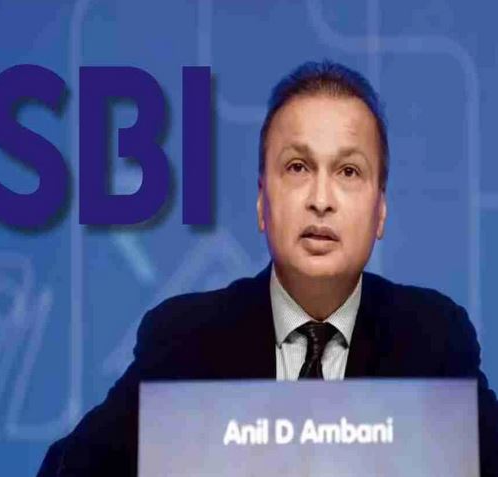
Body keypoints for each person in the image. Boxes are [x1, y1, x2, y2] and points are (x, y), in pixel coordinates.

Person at [37, 60, 498, 476]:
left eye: (348, 172)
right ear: (262, 203)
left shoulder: (433, 341)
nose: (321, 199)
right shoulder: (186, 340)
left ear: (380, 212)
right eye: (298, 167)